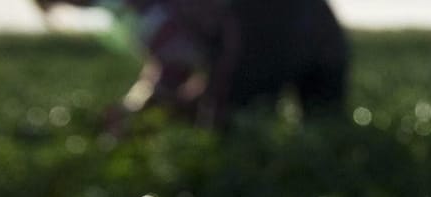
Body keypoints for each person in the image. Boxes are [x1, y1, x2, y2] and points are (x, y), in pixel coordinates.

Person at [36, 0, 349, 128]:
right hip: (322, 33)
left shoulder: (143, 7)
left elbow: (176, 61)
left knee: (225, 127)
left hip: (275, 37)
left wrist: (139, 110)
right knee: (328, 130)